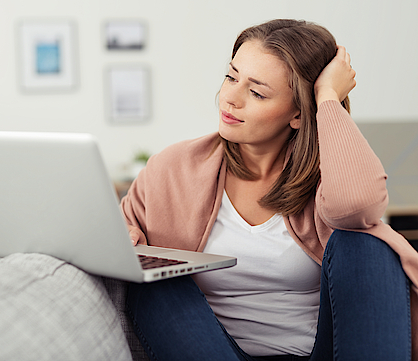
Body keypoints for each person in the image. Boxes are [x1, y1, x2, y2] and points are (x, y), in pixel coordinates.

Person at [120, 19, 417, 361]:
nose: (229, 98)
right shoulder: (171, 169)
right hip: (215, 350)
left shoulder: (329, 176)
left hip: (321, 353)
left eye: (257, 92)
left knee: (364, 244)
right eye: (231, 77)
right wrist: (123, 237)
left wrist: (328, 99)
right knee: (156, 281)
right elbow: (114, 233)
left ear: (298, 115)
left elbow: (357, 208)